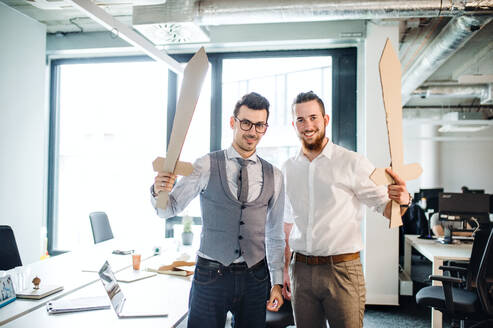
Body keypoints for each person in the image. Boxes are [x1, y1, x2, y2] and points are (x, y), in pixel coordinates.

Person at [151, 92, 285, 328]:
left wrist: (276, 282)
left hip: (255, 275)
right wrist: (157, 190)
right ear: (233, 122)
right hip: (211, 274)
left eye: (259, 125)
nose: (252, 131)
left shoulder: (275, 175)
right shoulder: (205, 165)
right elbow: (168, 210)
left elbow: (275, 234)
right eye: (246, 123)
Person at [282, 91, 411, 328]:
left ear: (325, 120)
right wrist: (285, 269)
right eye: (300, 120)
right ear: (294, 124)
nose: (307, 125)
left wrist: (402, 200)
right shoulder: (289, 168)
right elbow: (288, 223)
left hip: (341, 271)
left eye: (313, 117)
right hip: (300, 270)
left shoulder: (352, 162)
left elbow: (387, 209)